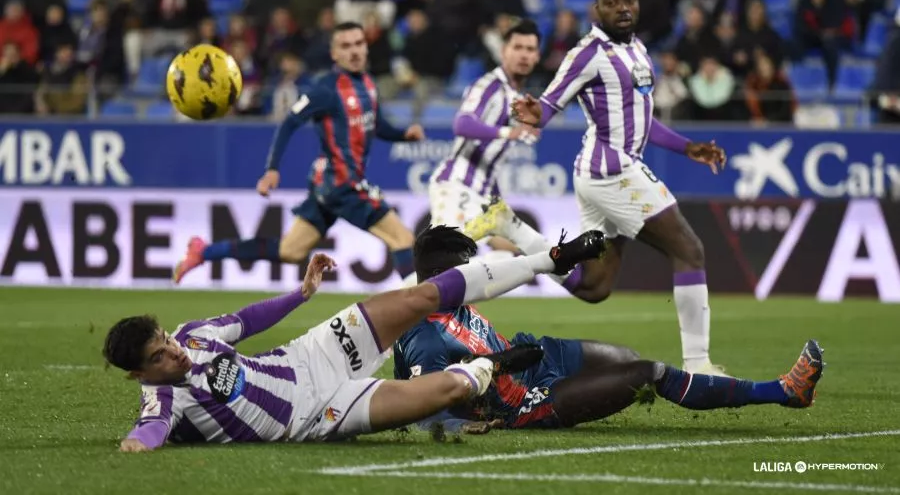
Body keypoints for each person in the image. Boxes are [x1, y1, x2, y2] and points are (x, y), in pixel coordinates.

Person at [104, 228, 607, 451]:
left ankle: (551, 259)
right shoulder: (163, 403)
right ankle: (490, 367)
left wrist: (301, 295)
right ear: (139, 375)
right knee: (452, 389)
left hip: (310, 354)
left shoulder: (193, 335)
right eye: (159, 355)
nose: (173, 350)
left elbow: (246, 319)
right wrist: (134, 443)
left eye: (165, 338)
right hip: (317, 414)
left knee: (417, 297)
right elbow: (149, 432)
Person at [394, 226, 824, 433]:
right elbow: (419, 409)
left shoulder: (450, 298)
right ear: (440, 274)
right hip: (523, 403)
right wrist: (460, 426)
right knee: (647, 375)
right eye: (466, 268)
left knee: (627, 359)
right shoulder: (424, 336)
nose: (478, 273)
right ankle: (783, 391)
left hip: (536, 357)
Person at [512, 0, 728, 375]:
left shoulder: (639, 51)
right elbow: (549, 103)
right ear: (597, 10)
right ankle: (698, 367)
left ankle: (515, 231)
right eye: (611, 2)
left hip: (602, 173)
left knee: (595, 287)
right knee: (689, 250)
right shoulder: (588, 53)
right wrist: (534, 113)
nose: (622, 8)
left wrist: (687, 146)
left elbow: (643, 118)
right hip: (611, 171)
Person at [174, 22, 425, 284]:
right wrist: (272, 168)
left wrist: (402, 135)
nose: (354, 51)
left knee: (290, 251)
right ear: (334, 54)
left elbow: (376, 124)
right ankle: (424, 313)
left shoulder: (367, 84)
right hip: (342, 185)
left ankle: (204, 252)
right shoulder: (326, 89)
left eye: (359, 44)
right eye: (346, 46)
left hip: (327, 185)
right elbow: (290, 122)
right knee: (403, 239)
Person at [430, 19, 594, 296]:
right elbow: (462, 124)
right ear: (504, 51)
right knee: (439, 273)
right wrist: (511, 132)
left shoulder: (516, 97)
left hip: (481, 197)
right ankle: (384, 323)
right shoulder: (490, 85)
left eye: (530, 49)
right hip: (457, 185)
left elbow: (490, 163)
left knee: (496, 262)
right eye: (517, 47)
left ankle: (572, 277)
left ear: (538, 55)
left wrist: (496, 202)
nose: (524, 54)